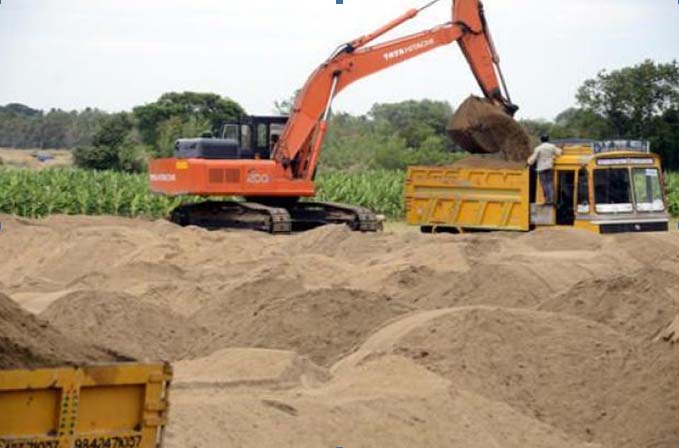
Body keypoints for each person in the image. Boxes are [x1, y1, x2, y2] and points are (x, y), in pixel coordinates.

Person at [527, 135, 562, 205]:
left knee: (544, 184)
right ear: (548, 139)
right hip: (549, 167)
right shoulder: (552, 147)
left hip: (541, 168)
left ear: (541, 140)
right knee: (550, 183)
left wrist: (528, 162)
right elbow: (559, 152)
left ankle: (547, 199)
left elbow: (533, 158)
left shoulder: (538, 148)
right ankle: (551, 199)